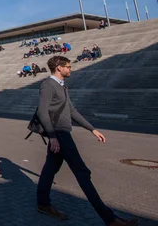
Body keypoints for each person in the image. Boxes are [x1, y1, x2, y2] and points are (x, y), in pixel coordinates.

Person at [36, 56, 137, 226]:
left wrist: (92, 129)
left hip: (61, 134)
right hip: (60, 135)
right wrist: (53, 137)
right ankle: (110, 219)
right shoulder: (48, 85)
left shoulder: (61, 86)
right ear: (59, 68)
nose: (71, 69)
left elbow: (73, 111)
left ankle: (43, 204)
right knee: (82, 173)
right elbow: (42, 113)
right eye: (68, 66)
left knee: (49, 169)